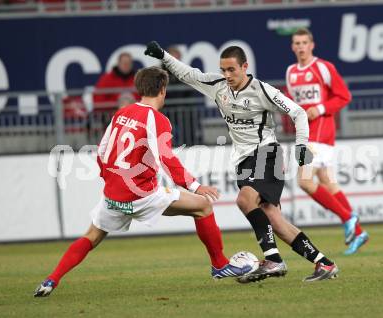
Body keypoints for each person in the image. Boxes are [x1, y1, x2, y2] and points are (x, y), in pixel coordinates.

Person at [34, 67, 253, 297]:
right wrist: (196, 186)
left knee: (91, 237)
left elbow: (102, 150)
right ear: (163, 90)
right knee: (203, 206)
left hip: (113, 196)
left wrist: (110, 179)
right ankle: (219, 265)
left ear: (139, 88)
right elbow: (166, 158)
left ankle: (51, 280)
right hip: (142, 195)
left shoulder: (122, 113)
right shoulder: (158, 120)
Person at [145, 41, 339, 283]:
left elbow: (298, 113)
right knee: (274, 219)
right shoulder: (218, 87)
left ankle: (273, 261)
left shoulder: (262, 90)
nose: (226, 75)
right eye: (223, 70)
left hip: (267, 153)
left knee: (245, 199)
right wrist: (163, 55)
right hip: (243, 160)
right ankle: (324, 263)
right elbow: (188, 74)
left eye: (231, 70)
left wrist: (301, 151)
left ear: (245, 67)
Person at [284, 28, 369, 255]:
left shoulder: (323, 67)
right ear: (293, 47)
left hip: (321, 131)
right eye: (296, 43)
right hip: (306, 132)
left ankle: (348, 217)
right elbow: (295, 104)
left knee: (304, 180)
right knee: (328, 183)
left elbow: (344, 96)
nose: (301, 46)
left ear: (312, 45)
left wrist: (320, 108)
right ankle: (358, 230)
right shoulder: (291, 72)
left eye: (304, 42)